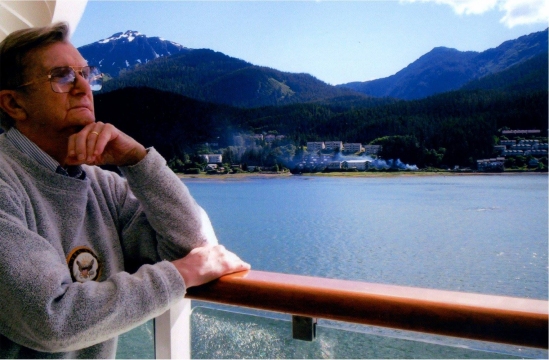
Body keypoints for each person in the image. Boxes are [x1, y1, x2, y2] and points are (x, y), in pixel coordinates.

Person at [0, 22, 250, 358]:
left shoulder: (103, 186)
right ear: (13, 104)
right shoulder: (6, 182)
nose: (83, 88)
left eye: (86, 75)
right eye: (61, 76)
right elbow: (52, 318)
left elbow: (195, 244)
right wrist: (181, 275)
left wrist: (139, 162)